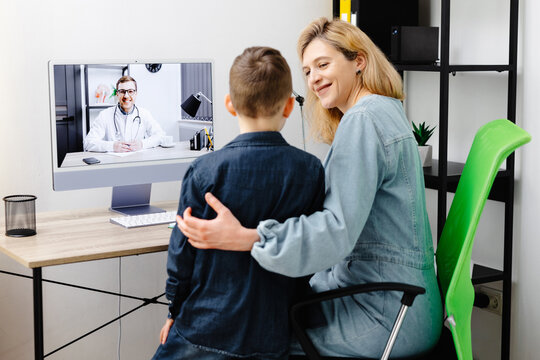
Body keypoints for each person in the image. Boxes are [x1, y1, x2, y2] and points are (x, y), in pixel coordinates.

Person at [177, 17, 443, 358]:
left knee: (250, 335)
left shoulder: (363, 120)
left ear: (359, 61)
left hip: (387, 314)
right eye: (307, 71)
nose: (314, 78)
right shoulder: (385, 110)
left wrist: (246, 237)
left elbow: (336, 230)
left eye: (323, 64)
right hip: (399, 301)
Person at [152, 46, 325, 360]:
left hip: (206, 328)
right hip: (274, 332)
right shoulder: (311, 171)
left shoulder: (203, 171)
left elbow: (182, 255)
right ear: (289, 106)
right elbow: (310, 251)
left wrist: (173, 310)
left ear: (230, 105)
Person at [83, 75, 166, 152]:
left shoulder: (144, 114)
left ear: (136, 93)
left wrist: (142, 144)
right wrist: (112, 146)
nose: (126, 96)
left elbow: (161, 136)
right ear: (117, 94)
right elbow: (88, 143)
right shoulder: (104, 115)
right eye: (122, 91)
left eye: (130, 91)